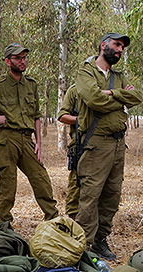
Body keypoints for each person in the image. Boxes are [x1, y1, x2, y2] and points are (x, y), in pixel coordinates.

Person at [0, 43, 58, 223]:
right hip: (7, 140)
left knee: (41, 179)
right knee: (8, 184)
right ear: (8, 61)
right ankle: (4, 224)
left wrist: (39, 142)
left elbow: (37, 115)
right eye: (18, 58)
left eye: (24, 58)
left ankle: (53, 220)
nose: (22, 62)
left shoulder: (31, 85)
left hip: (27, 139)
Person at [74, 33, 142, 261]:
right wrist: (123, 97)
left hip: (118, 143)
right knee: (90, 195)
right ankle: (82, 245)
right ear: (103, 45)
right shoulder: (86, 72)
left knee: (112, 195)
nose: (120, 50)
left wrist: (113, 92)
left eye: (122, 47)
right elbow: (93, 100)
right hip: (96, 143)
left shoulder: (118, 77)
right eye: (116, 45)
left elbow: (138, 97)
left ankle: (101, 240)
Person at [57, 84, 80, 219]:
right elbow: (62, 116)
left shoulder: (109, 88)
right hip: (80, 144)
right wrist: (80, 120)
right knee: (76, 183)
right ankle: (72, 218)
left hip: (104, 145)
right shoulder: (75, 90)